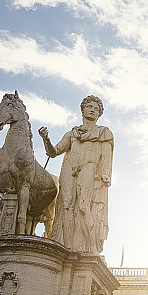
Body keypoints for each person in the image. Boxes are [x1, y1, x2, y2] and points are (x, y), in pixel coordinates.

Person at [39, 95, 113, 253]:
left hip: (89, 170)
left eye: (96, 109)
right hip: (69, 169)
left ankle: (91, 246)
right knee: (66, 207)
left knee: (84, 208)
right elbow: (54, 152)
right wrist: (46, 139)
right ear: (83, 109)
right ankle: (66, 246)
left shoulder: (104, 133)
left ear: (99, 113)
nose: (92, 110)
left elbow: (107, 158)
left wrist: (106, 174)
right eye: (89, 107)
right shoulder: (72, 133)